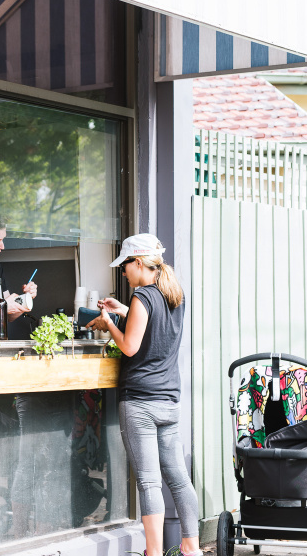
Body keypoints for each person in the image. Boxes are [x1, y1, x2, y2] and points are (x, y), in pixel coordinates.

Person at [86, 233, 201, 556]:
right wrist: (123, 310)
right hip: (169, 400)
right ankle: (191, 548)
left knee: (150, 482)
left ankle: (153, 552)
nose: (123, 272)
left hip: (140, 401)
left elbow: (130, 346)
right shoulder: (174, 293)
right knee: (178, 479)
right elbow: (154, 325)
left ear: (138, 262)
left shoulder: (142, 296)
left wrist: (109, 323)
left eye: (125, 265)